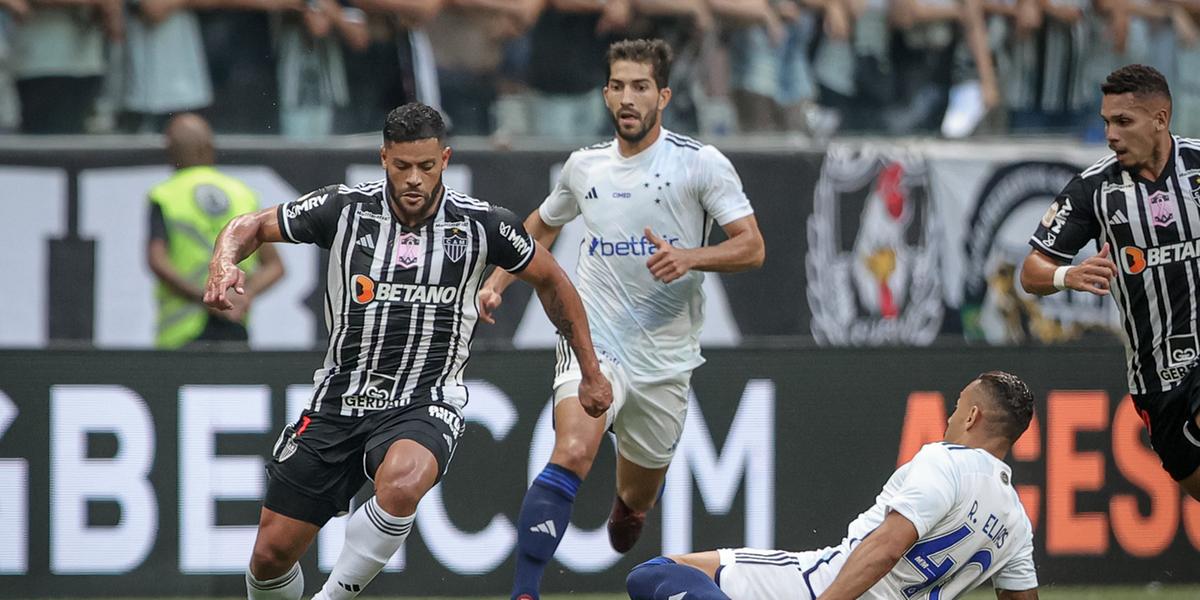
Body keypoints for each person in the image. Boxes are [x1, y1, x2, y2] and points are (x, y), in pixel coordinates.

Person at [202, 102, 612, 600]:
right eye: (401, 167)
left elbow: (553, 281)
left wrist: (590, 370)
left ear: (445, 159)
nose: (414, 179)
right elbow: (251, 225)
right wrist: (222, 263)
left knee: (402, 481)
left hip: (426, 397)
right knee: (271, 556)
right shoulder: (344, 209)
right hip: (339, 400)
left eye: (426, 166)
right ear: (383, 159)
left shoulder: (482, 225)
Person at [478, 38, 765, 600]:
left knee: (634, 511)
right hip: (595, 342)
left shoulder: (699, 163)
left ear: (664, 95)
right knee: (573, 450)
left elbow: (752, 247)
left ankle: (626, 505)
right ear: (606, 94)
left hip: (665, 357)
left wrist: (691, 257)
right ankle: (524, 592)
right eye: (618, 86)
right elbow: (540, 225)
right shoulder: (585, 167)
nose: (628, 98)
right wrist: (496, 283)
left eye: (640, 87)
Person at [626, 371, 1039, 600]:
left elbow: (887, 547)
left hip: (820, 585)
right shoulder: (1016, 522)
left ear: (972, 418)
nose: (950, 417)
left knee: (655, 574)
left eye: (957, 407)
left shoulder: (945, 460)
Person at [1021, 64, 1200, 501]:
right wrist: (1069, 275)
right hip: (1156, 381)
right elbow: (1031, 272)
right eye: (1106, 122)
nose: (1111, 135)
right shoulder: (1094, 189)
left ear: (1160, 119)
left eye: (1123, 121)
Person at [147, 113, 283, 349]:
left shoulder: (165, 195)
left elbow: (157, 260)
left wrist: (205, 297)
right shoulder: (242, 194)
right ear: (209, 147)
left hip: (182, 332)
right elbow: (275, 266)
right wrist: (244, 295)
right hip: (234, 324)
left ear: (170, 151)